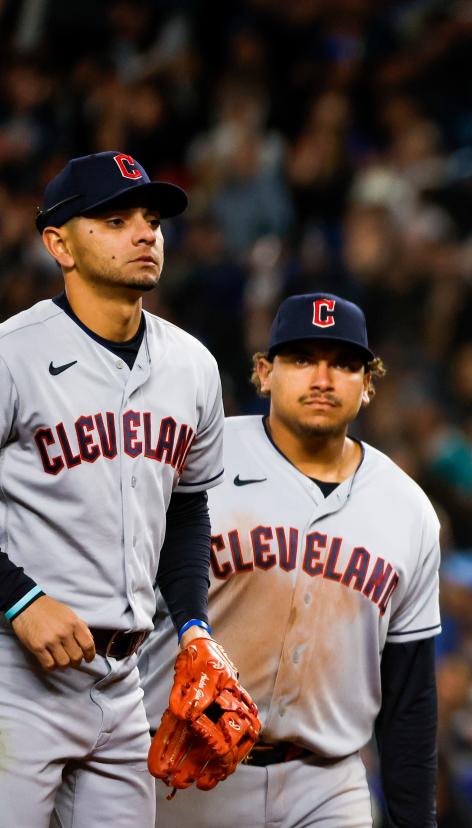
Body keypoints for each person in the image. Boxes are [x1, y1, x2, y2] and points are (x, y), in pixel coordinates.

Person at [139, 293, 442, 827]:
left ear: (369, 383)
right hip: (187, 762)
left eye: (344, 364)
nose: (322, 378)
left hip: (325, 783)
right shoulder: (201, 458)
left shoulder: (408, 509)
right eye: (302, 359)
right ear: (263, 372)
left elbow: (408, 694)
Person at [0, 151, 227, 825]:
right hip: (16, 674)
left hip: (125, 682)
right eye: (116, 218)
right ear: (58, 244)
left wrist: (192, 626)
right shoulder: (14, 353)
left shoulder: (193, 367)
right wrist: (18, 599)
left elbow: (186, 512)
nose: (144, 233)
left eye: (152, 219)